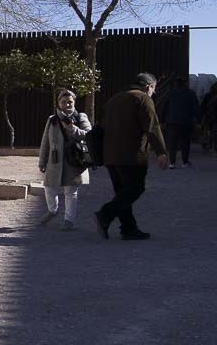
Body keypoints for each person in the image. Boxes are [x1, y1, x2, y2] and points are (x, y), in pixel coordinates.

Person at [95, 73, 168, 241]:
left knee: (122, 192)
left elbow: (100, 126)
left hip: (110, 155)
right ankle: (105, 214)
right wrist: (161, 152)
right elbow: (152, 127)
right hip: (132, 155)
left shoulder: (113, 100)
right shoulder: (142, 99)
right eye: (153, 90)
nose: (153, 94)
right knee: (135, 188)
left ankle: (128, 228)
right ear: (149, 86)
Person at [37, 90, 91, 231]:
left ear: (74, 102)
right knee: (49, 188)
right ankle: (52, 210)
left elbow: (89, 135)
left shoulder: (81, 117)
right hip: (54, 161)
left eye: (70, 102)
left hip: (74, 161)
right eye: (63, 102)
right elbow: (45, 142)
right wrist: (42, 161)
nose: (67, 104)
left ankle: (69, 220)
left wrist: (73, 129)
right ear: (58, 103)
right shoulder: (52, 119)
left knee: (70, 192)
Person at [159, 78, 199, 168]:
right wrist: (198, 120)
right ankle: (184, 162)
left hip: (172, 122)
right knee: (185, 142)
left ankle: (172, 163)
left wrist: (161, 120)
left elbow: (163, 107)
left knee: (172, 143)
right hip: (186, 122)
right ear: (185, 84)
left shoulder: (169, 93)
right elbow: (196, 108)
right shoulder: (191, 93)